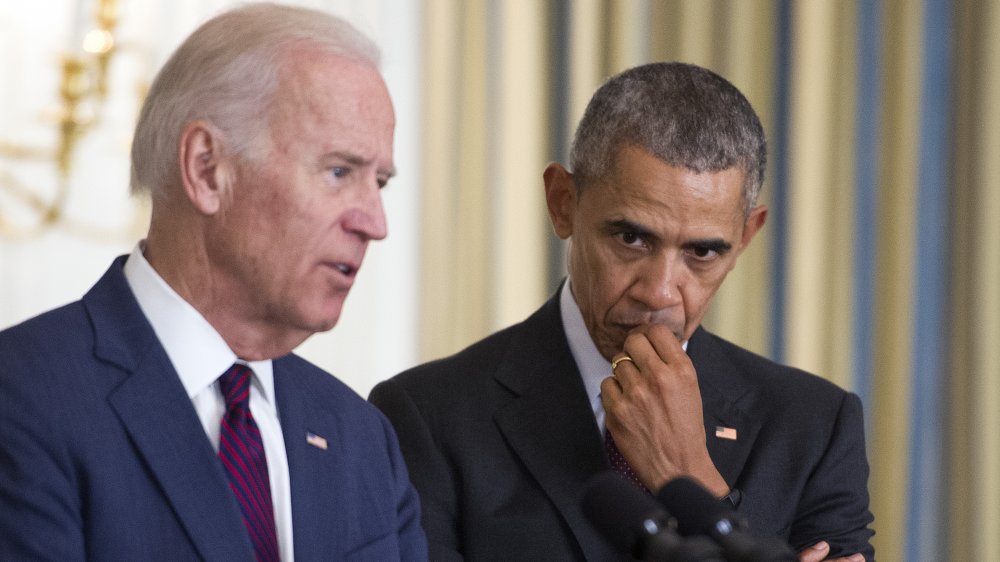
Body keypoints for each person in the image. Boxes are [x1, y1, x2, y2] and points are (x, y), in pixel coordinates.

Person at [369, 62, 874, 561]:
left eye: (702, 253)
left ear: (745, 237)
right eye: (631, 238)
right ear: (562, 202)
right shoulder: (426, 418)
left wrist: (692, 479)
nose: (659, 293)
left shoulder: (815, 427)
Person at [0, 3, 426, 560]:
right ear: (207, 169)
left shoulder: (363, 439)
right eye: (339, 172)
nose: (374, 222)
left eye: (381, 182)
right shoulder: (25, 397)